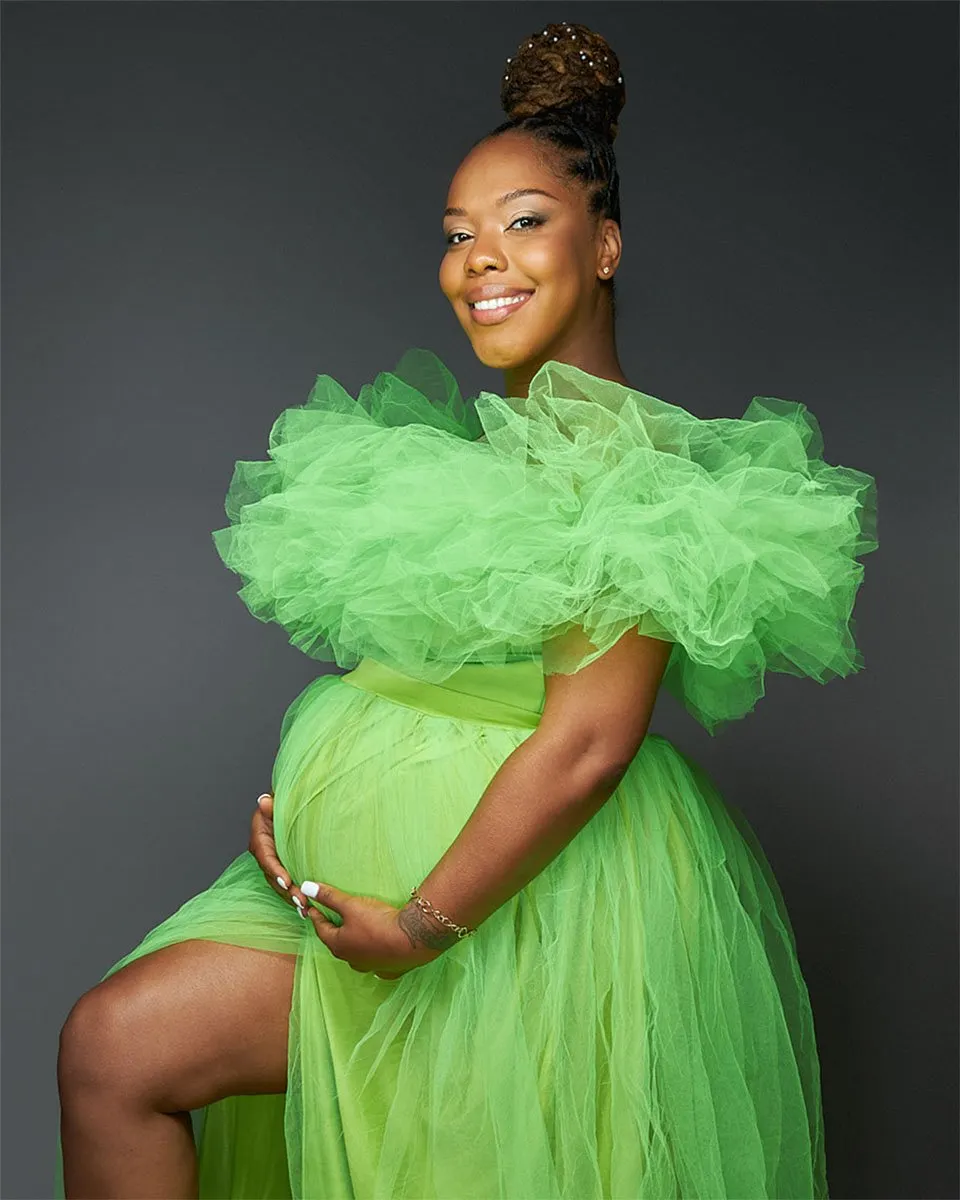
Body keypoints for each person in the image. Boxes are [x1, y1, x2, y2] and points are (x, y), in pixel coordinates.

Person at [55, 19, 877, 1200]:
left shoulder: (633, 473)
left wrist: (421, 926)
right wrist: (319, 828)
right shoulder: (467, 462)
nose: (480, 259)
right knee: (114, 1047)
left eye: (523, 222)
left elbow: (588, 744)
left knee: (136, 1053)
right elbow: (423, 692)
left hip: (516, 922)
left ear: (605, 246)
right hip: (359, 896)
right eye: (457, 235)